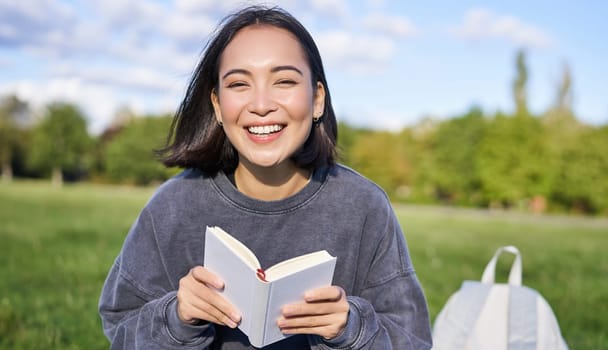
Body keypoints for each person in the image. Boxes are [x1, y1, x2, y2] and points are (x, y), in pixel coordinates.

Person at [98, 5, 432, 349]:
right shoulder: (172, 206)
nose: (261, 104)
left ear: (317, 99)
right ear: (217, 104)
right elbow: (121, 326)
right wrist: (176, 318)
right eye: (239, 83)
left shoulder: (364, 208)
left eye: (284, 81)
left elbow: (412, 339)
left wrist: (352, 328)